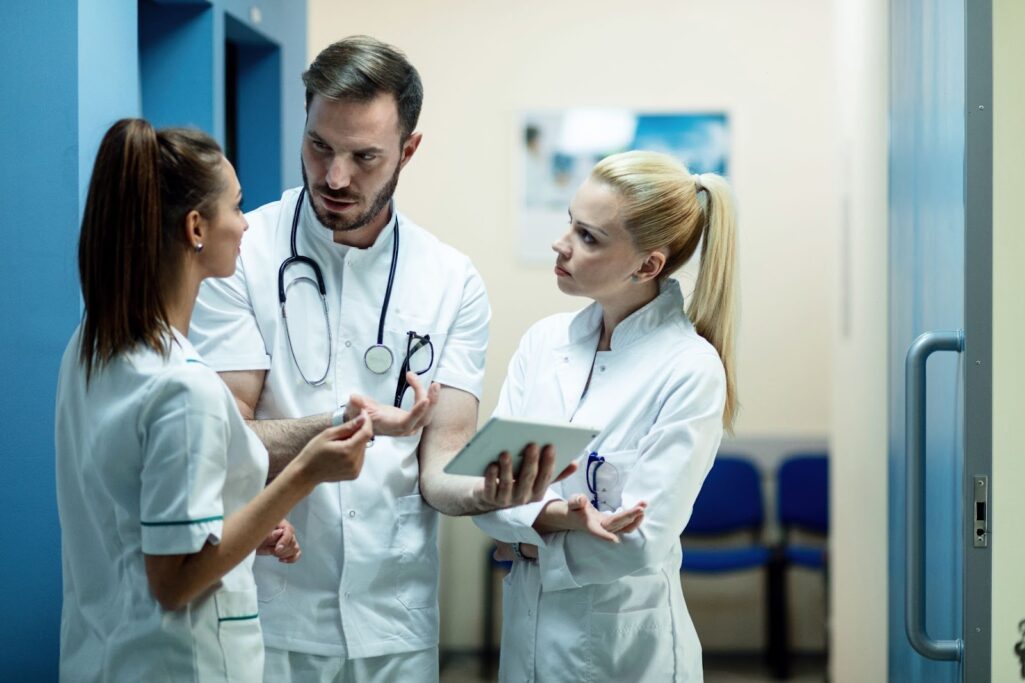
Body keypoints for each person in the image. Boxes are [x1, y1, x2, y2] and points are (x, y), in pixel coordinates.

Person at [189, 35, 564, 682]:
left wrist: (490, 493)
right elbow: (228, 438)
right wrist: (340, 423)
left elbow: (440, 464)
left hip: (394, 618)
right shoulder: (241, 255)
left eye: (364, 157)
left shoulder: (450, 281)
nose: (335, 177)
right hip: (270, 609)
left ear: (408, 150)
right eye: (319, 146)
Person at [55, 119, 374, 682]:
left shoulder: (91, 346)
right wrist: (303, 475)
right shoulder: (184, 388)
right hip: (185, 663)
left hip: (103, 655)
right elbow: (174, 581)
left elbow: (131, 514)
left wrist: (242, 524)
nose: (245, 224)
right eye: (236, 206)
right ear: (196, 227)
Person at [474, 150, 739, 682]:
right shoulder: (543, 343)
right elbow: (483, 490)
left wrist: (522, 531)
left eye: (588, 237)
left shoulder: (689, 369)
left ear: (648, 265)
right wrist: (556, 519)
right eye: (570, 223)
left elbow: (639, 543)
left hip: (624, 656)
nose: (562, 244)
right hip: (526, 640)